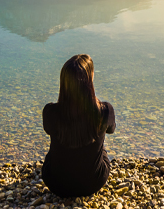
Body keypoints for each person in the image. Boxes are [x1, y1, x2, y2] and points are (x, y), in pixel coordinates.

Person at [42, 54, 116, 197]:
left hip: (56, 183)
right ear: (90, 79)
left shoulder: (50, 111)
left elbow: (48, 129)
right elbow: (111, 129)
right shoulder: (104, 110)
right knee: (100, 142)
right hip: (93, 182)